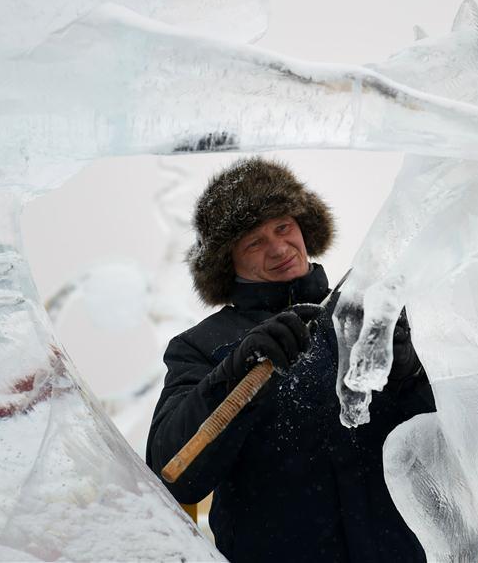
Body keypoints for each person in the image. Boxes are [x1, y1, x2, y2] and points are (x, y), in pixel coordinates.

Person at [146, 157, 436, 562]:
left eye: (283, 227)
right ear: (229, 263)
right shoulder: (201, 346)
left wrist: (413, 376)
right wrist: (234, 372)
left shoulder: (369, 315)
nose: (279, 248)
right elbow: (173, 474)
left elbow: (450, 453)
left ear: (303, 227)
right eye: (254, 242)